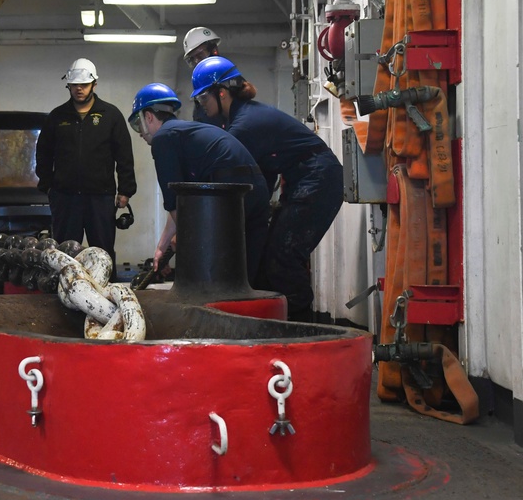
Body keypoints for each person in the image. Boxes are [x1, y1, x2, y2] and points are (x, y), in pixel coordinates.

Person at [191, 56, 343, 321]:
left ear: (222, 93)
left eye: (203, 98)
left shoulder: (243, 126)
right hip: (307, 178)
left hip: (317, 178)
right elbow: (261, 178)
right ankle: (288, 321)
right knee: (272, 256)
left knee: (283, 256)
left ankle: (303, 325)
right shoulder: (245, 116)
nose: (202, 105)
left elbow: (226, 177)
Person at [129, 83, 270, 284]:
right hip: (254, 190)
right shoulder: (185, 133)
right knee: (247, 278)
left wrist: (183, 239)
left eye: (138, 124)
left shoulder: (163, 139)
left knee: (217, 274)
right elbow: (181, 202)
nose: (140, 133)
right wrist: (163, 246)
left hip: (232, 192)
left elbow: (174, 203)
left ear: (149, 117)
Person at [35, 58, 136, 273]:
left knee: (103, 254)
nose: (79, 89)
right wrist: (48, 186)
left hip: (100, 198)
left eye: (84, 85)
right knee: (64, 256)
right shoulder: (57, 117)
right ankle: (62, 299)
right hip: (65, 198)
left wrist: (126, 190)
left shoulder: (111, 116)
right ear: (68, 86)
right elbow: (43, 153)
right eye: (75, 85)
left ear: (94, 85)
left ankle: (108, 300)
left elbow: (124, 155)